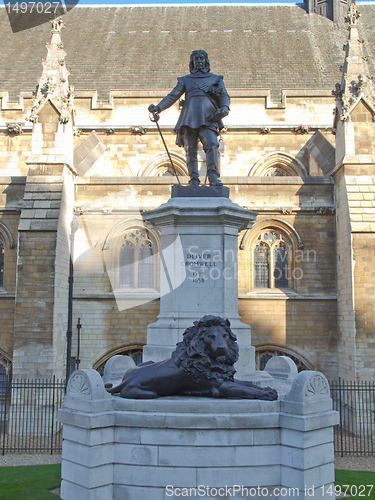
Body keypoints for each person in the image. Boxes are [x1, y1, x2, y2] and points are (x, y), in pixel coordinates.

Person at [148, 50, 230, 187]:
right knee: (190, 148)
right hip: (190, 116)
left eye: (201, 58)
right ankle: (193, 179)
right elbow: (172, 96)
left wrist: (225, 107)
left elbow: (224, 96)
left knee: (211, 144)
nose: (199, 61)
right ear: (192, 62)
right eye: (196, 59)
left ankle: (213, 176)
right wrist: (159, 107)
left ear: (206, 61)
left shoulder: (215, 79)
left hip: (209, 116)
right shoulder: (185, 80)